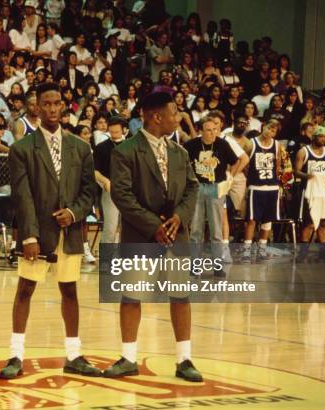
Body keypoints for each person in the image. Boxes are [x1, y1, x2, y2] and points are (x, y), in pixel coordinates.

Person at [0, 82, 100, 379]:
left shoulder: (81, 147)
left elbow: (88, 192)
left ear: (64, 105)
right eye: (46, 103)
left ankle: (74, 354)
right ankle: (16, 355)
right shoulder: (21, 149)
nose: (53, 108)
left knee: (70, 290)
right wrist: (29, 236)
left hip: (69, 233)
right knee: (25, 290)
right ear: (36, 107)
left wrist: (74, 213)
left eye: (57, 103)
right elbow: (22, 195)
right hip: (37, 233)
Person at [106, 92, 201, 382]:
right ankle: (128, 358)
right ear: (156, 116)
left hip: (175, 233)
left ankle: (184, 359)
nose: (179, 117)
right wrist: (152, 225)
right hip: (141, 234)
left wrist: (178, 218)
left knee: (181, 296)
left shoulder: (180, 151)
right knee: (132, 296)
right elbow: (121, 194)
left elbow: (192, 188)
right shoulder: (125, 151)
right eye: (174, 112)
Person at [185, 116, 238, 271]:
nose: (212, 133)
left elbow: (236, 161)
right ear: (201, 131)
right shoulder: (191, 145)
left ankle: (218, 265)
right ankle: (195, 265)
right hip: (198, 186)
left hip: (216, 187)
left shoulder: (222, 144)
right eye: (208, 130)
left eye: (215, 129)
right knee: (196, 228)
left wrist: (230, 177)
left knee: (216, 229)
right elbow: (182, 164)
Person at [242, 119, 282, 262]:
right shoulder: (251, 143)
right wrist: (250, 177)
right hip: (256, 187)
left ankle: (262, 250)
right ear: (263, 126)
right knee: (252, 220)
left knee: (267, 220)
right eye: (269, 128)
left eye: (274, 130)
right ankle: (246, 251)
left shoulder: (277, 145)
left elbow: (277, 167)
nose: (270, 132)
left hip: (272, 187)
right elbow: (243, 162)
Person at [294, 126, 325, 245]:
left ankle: (324, 253)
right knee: (309, 222)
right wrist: (308, 176)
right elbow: (296, 171)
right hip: (309, 191)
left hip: (323, 191)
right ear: (314, 137)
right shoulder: (304, 151)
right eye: (321, 136)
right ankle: (303, 252)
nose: (323, 139)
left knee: (323, 222)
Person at [94, 116, 126, 244]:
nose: (113, 134)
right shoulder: (101, 147)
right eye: (111, 132)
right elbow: (95, 171)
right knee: (110, 228)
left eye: (117, 132)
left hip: (130, 191)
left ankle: (126, 260)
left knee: (129, 229)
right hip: (110, 190)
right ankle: (106, 262)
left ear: (124, 130)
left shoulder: (132, 144)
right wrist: (106, 181)